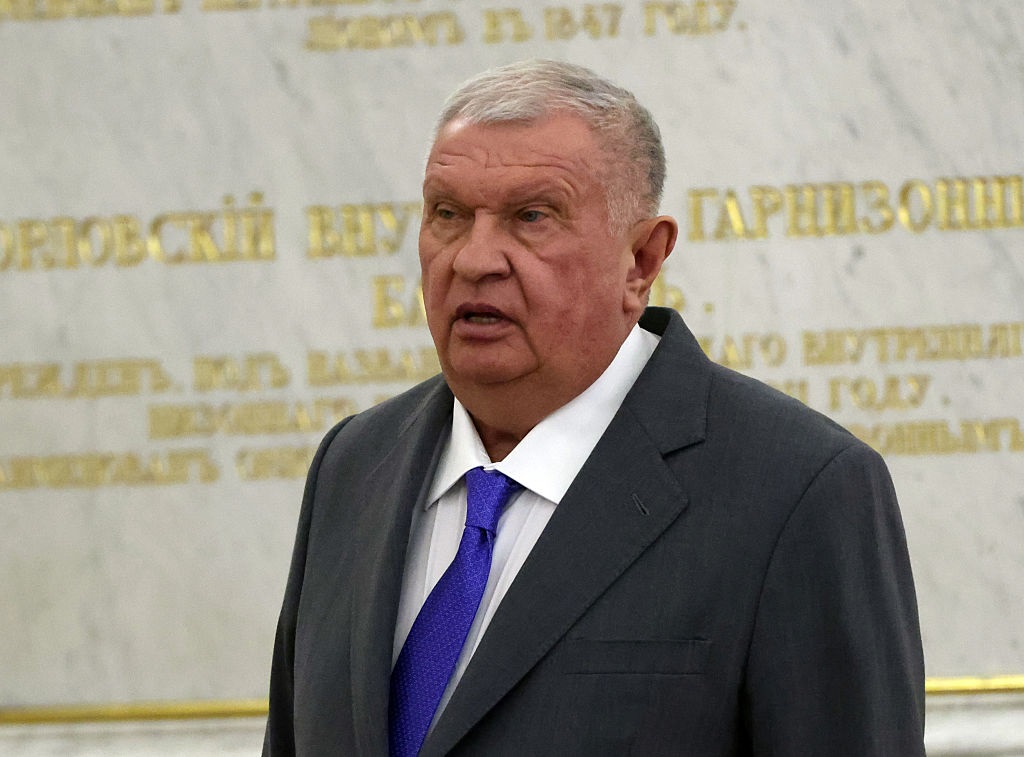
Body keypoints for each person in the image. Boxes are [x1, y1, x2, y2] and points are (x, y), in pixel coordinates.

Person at [264, 59, 925, 756]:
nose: (474, 259)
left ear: (640, 261)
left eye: (531, 217)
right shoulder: (354, 464)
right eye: (448, 215)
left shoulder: (799, 489)